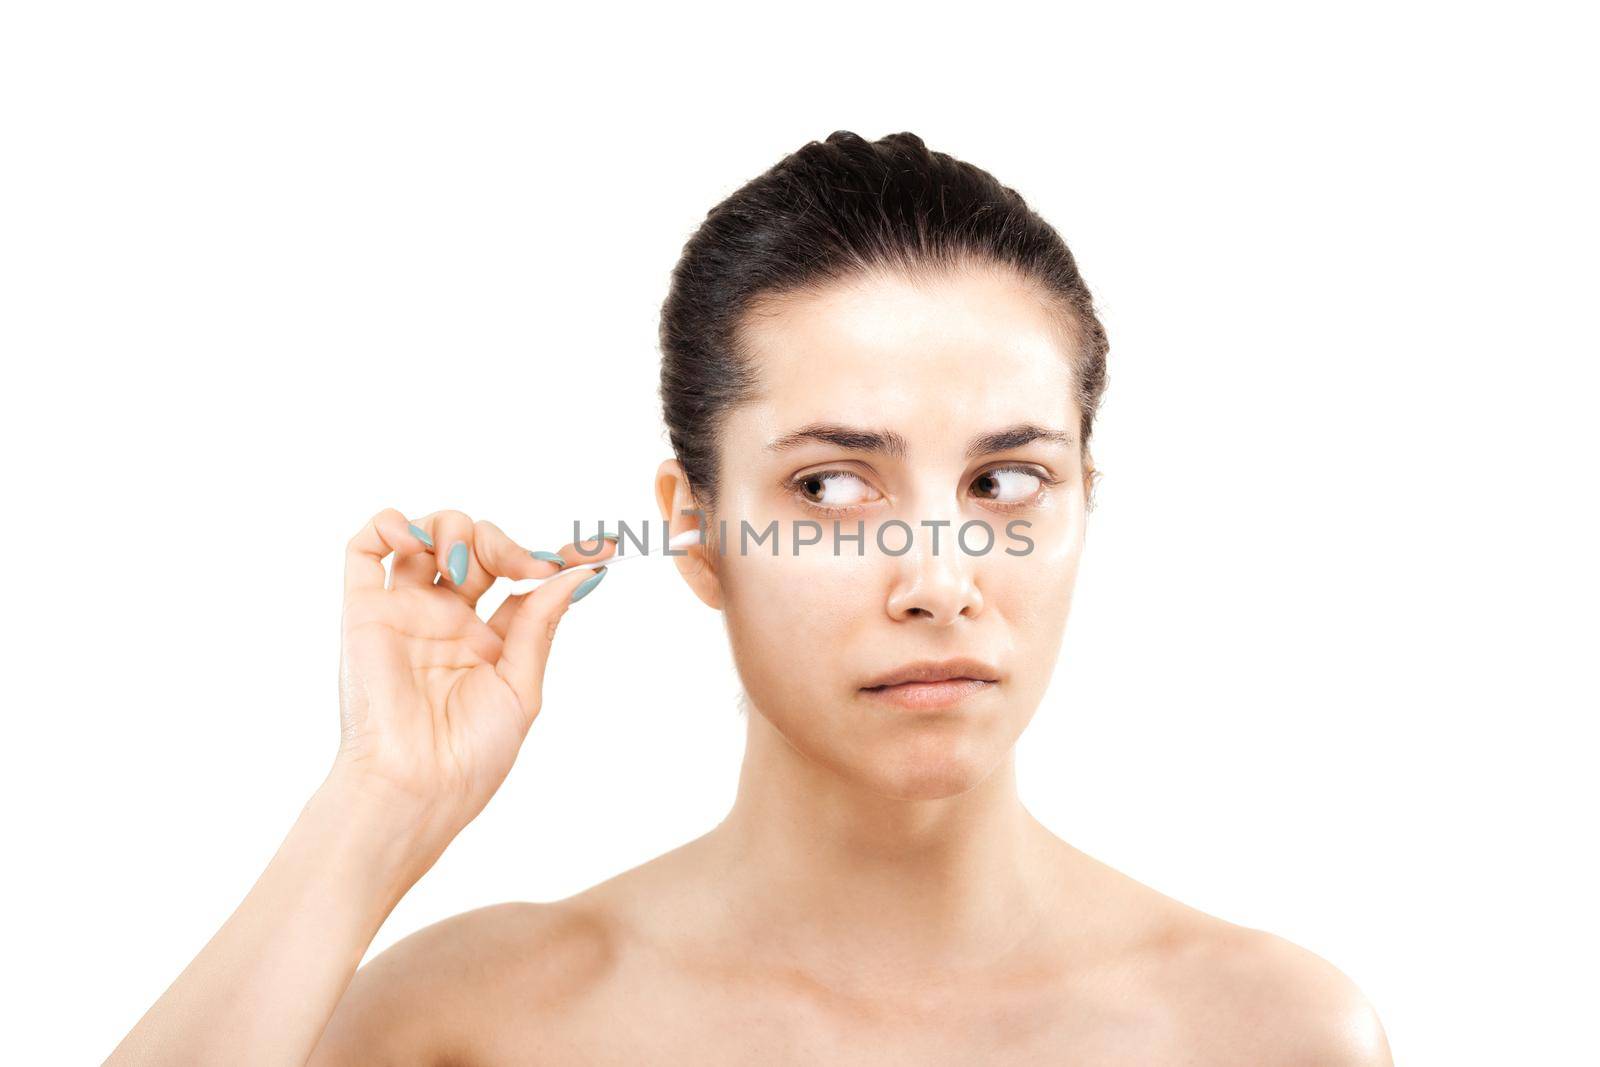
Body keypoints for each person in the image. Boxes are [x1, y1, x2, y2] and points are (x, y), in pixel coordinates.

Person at [107, 130, 1392, 1065]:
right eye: (831, 488)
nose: (939, 580)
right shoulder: (469, 1024)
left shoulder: (1269, 1031)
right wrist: (375, 807)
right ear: (698, 531)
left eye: (1006, 478)